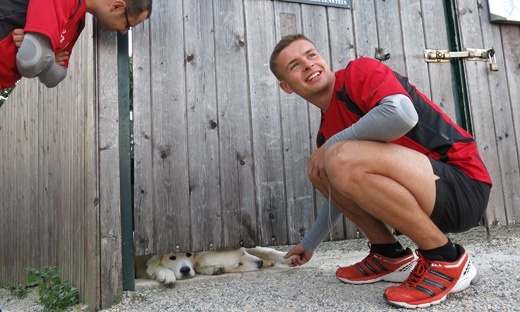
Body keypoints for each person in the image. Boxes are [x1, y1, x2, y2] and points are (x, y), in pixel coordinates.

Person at [269, 34, 491, 309]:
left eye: (311, 55)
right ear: (286, 86)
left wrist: (331, 149)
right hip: (428, 195)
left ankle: (446, 259)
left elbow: (401, 114)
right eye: (294, 65)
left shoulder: (358, 72)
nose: (308, 64)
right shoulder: (328, 133)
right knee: (321, 169)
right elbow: (337, 191)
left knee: (333, 157)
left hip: (462, 183)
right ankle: (389, 254)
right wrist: (310, 243)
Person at [0, 0, 152, 91]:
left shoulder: (78, 23)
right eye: (127, 25)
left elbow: (55, 77)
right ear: (117, 6)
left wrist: (45, 57)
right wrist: (45, 58)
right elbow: (30, 61)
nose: (124, 32)